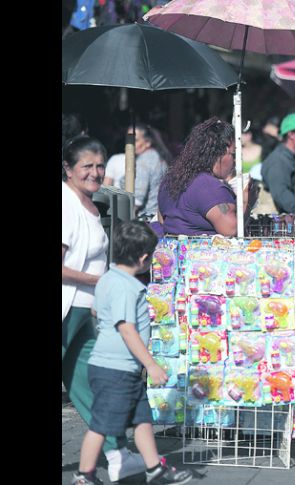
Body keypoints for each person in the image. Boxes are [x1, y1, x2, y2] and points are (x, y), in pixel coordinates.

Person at [72, 221, 194, 485]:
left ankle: (154, 469)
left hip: (120, 369)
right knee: (101, 425)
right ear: (143, 258)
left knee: (142, 418)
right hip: (114, 370)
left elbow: (96, 310)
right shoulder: (128, 287)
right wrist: (150, 365)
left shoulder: (107, 279)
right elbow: (126, 329)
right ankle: (84, 475)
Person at [63, 135, 147, 482]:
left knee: (92, 385)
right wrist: (101, 282)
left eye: (99, 165)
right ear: (68, 169)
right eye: (87, 166)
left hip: (83, 310)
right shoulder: (67, 206)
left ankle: (116, 452)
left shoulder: (89, 205)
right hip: (67, 309)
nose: (95, 173)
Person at [157, 117, 252, 237]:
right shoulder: (208, 186)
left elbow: (163, 220)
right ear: (218, 152)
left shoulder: (170, 179)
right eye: (233, 155)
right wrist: (247, 201)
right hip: (202, 253)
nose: (236, 161)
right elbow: (231, 230)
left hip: (172, 251)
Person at [104, 123, 172, 218]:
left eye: (134, 140)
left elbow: (136, 201)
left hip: (146, 219)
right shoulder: (157, 157)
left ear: (147, 142)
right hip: (158, 217)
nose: (130, 144)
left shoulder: (144, 161)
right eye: (128, 140)